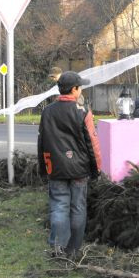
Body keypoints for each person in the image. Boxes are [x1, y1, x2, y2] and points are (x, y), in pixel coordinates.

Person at [38, 71, 102, 258]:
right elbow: (92, 142)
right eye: (80, 87)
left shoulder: (47, 112)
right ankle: (74, 249)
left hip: (56, 168)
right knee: (78, 208)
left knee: (59, 206)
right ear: (74, 90)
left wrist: (43, 168)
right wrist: (96, 168)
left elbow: (42, 142)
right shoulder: (82, 112)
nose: (81, 90)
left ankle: (58, 247)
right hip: (79, 169)